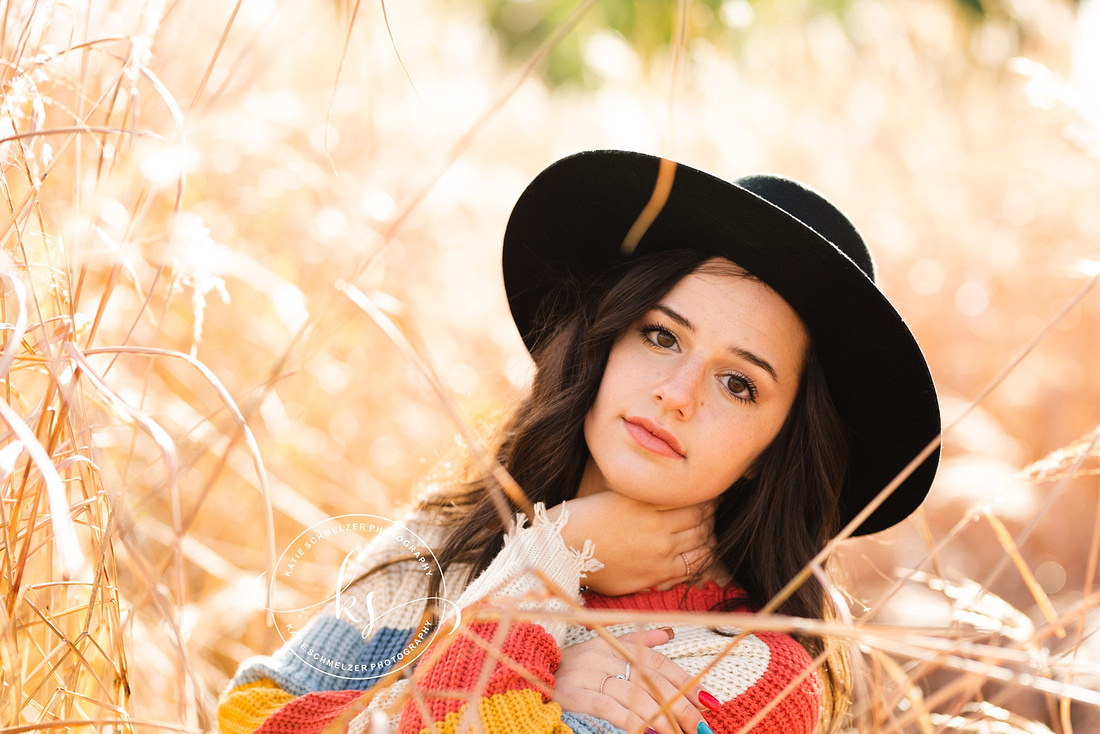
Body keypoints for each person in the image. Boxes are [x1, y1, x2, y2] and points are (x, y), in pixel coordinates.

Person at [216, 150, 940, 734]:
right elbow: (251, 723)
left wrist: (531, 582)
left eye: (738, 384)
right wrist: (546, 593)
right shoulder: (442, 539)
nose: (676, 393)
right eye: (661, 336)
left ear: (774, 452)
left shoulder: (759, 680)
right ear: (605, 342)